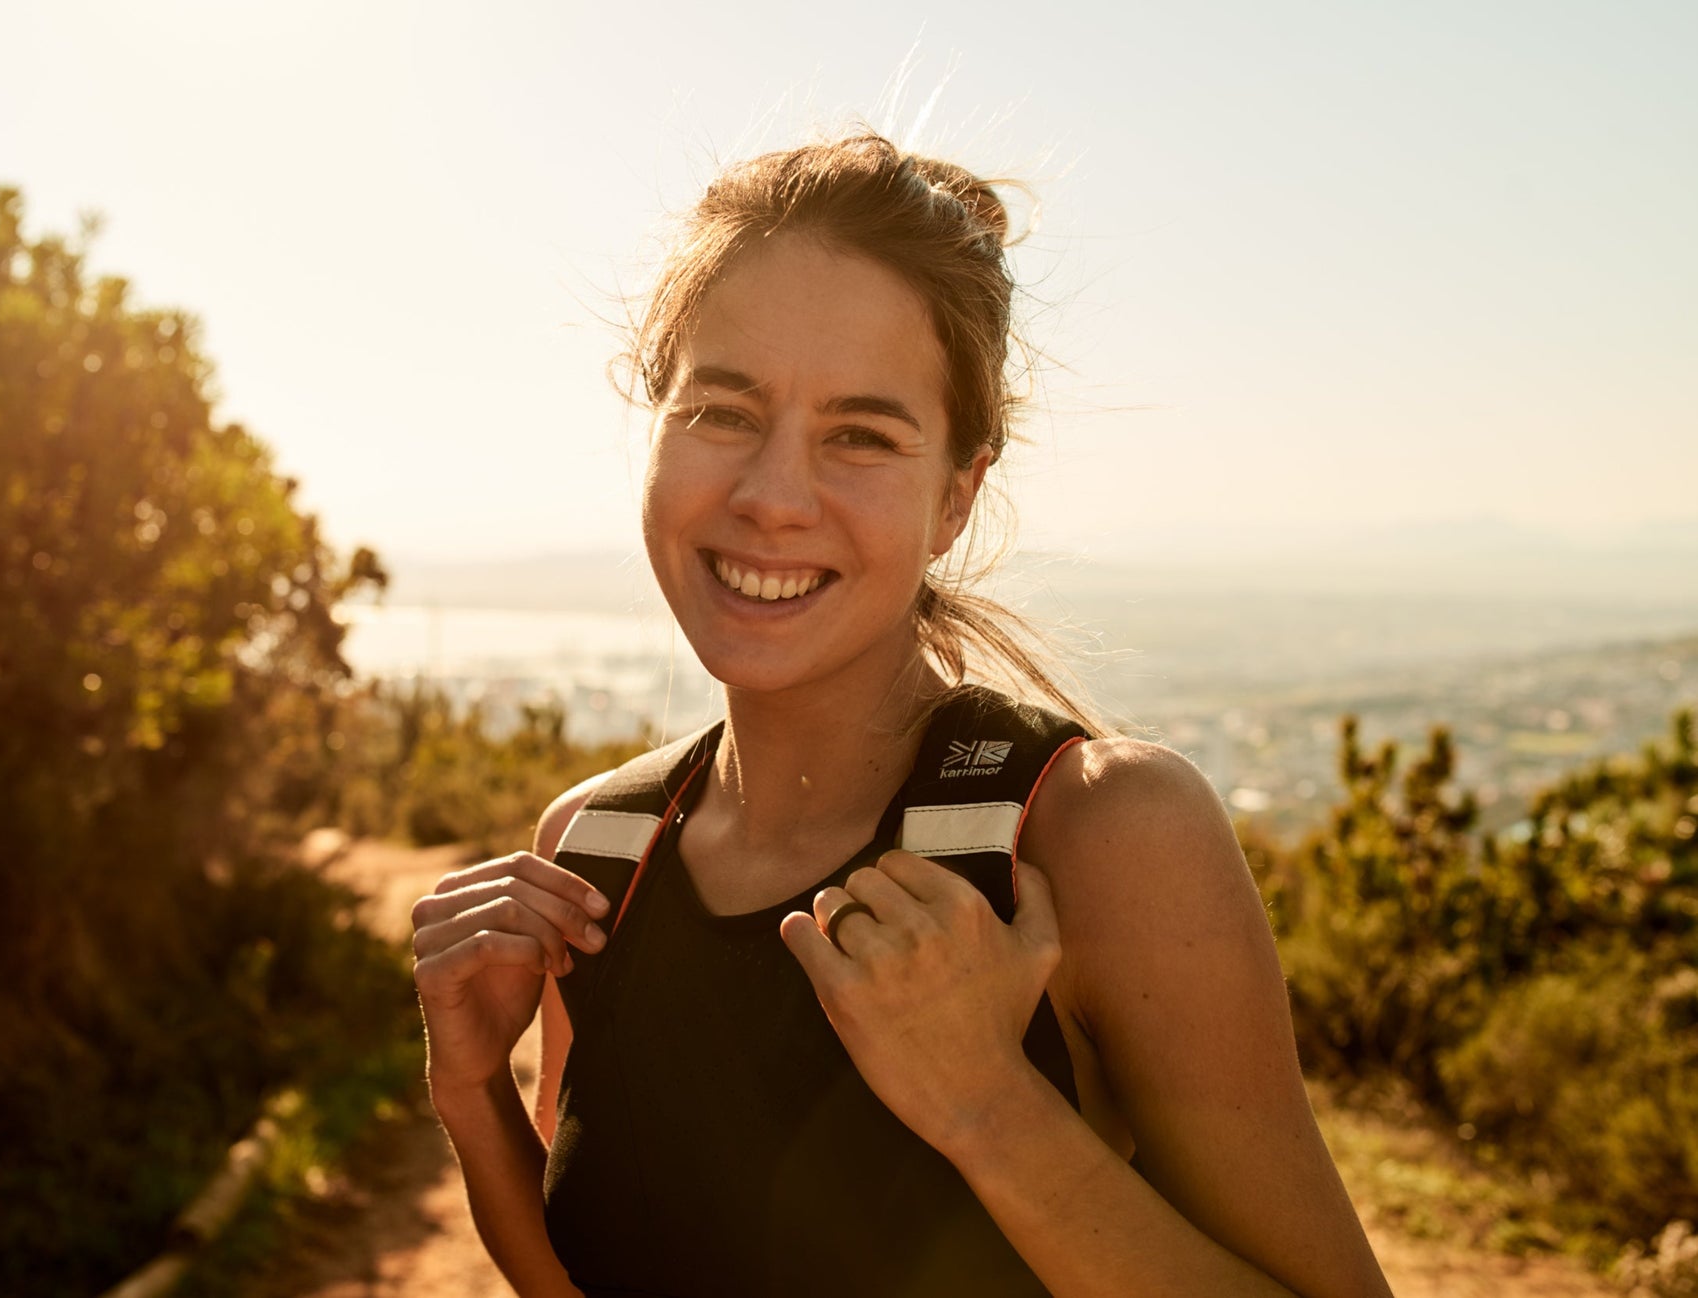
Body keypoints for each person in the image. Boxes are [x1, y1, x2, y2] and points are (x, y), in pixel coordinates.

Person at [409, 132, 1393, 1297]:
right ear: (656, 427)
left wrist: (986, 1104)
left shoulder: (1096, 833)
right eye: (722, 411)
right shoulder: (597, 848)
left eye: (859, 436)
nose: (772, 496)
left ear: (955, 496)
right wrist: (470, 1095)